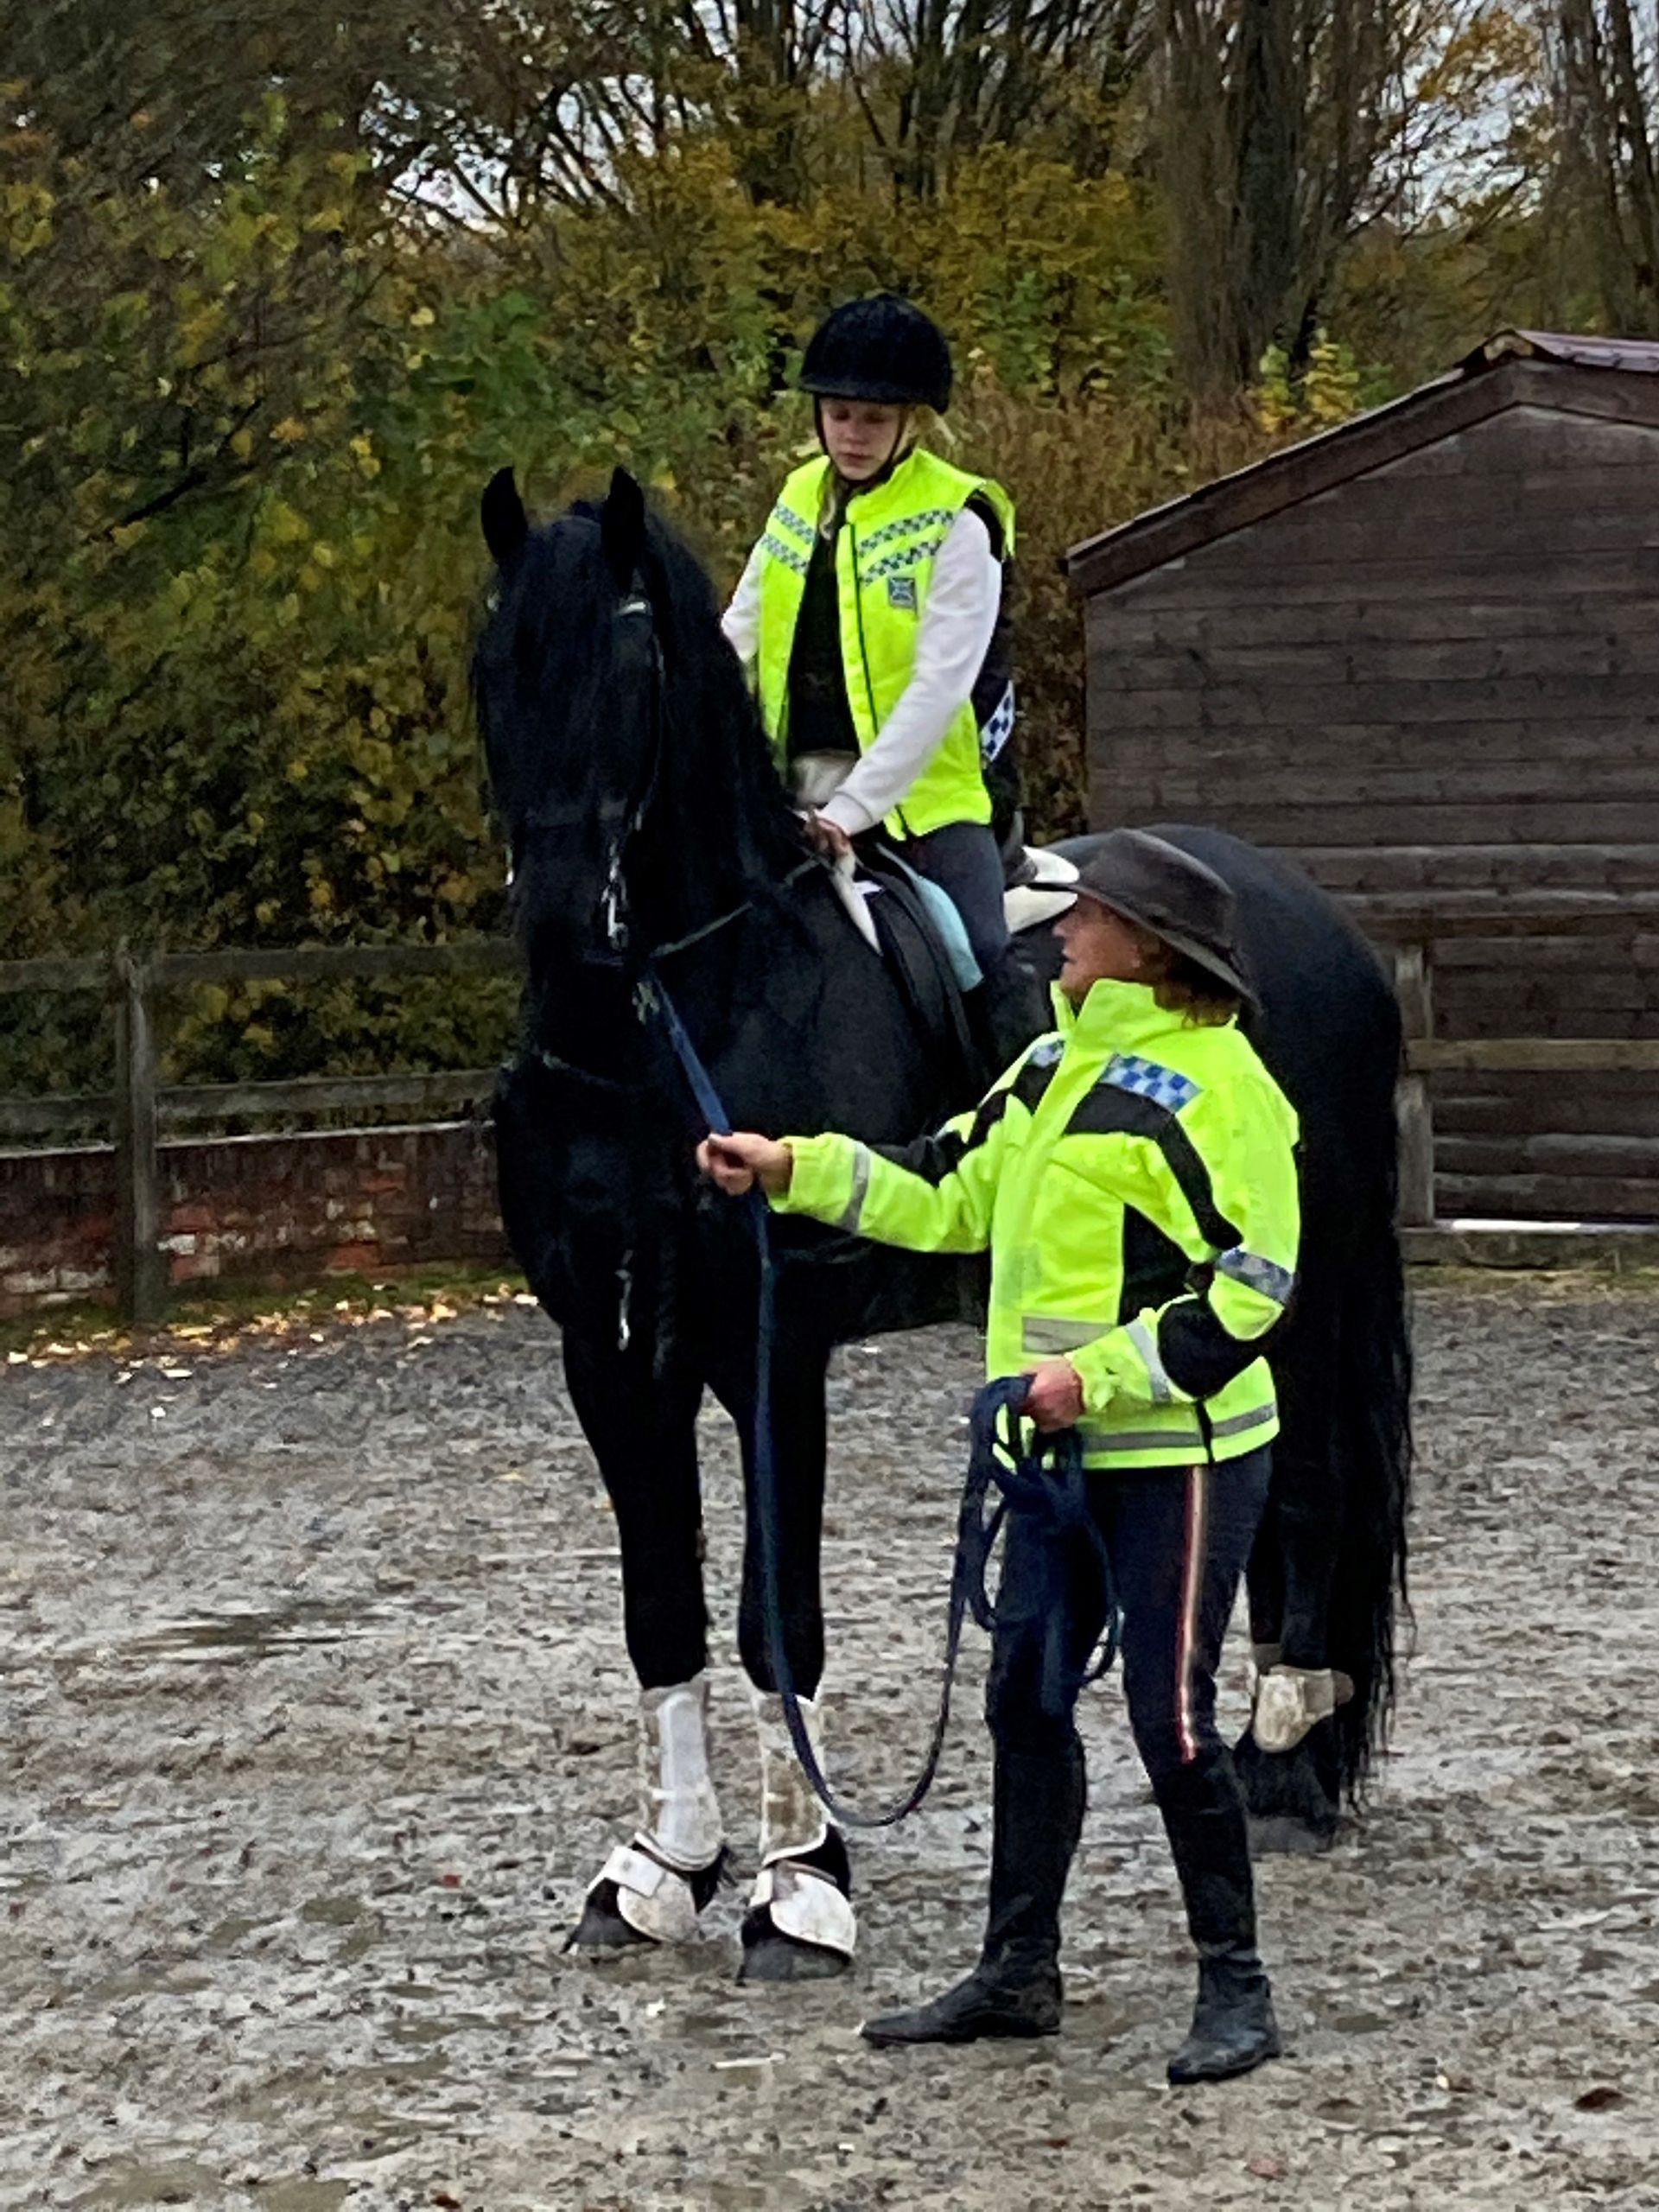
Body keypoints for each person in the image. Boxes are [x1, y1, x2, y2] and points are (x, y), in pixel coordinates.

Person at [697, 829, 1301, 2083]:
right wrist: (792, 1168)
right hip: (1049, 1455)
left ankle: (1236, 1986)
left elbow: (1253, 1288)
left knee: (1172, 1723)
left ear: (1143, 946)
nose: (1059, 934)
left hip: (1179, 1454)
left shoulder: (1227, 1090)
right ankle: (1019, 1967)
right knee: (1022, 1701)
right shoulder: (1047, 1069)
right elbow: (941, 1191)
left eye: (1082, 919)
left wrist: (1103, 1377)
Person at [721, 294, 1017, 976]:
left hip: (923, 804)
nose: (853, 434)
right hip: (786, 791)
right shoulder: (798, 496)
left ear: (912, 423)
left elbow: (941, 685)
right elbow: (735, 638)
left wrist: (852, 809)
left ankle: (1019, 1080)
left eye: (875, 418)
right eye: (839, 414)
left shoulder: (959, 519)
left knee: (983, 957)